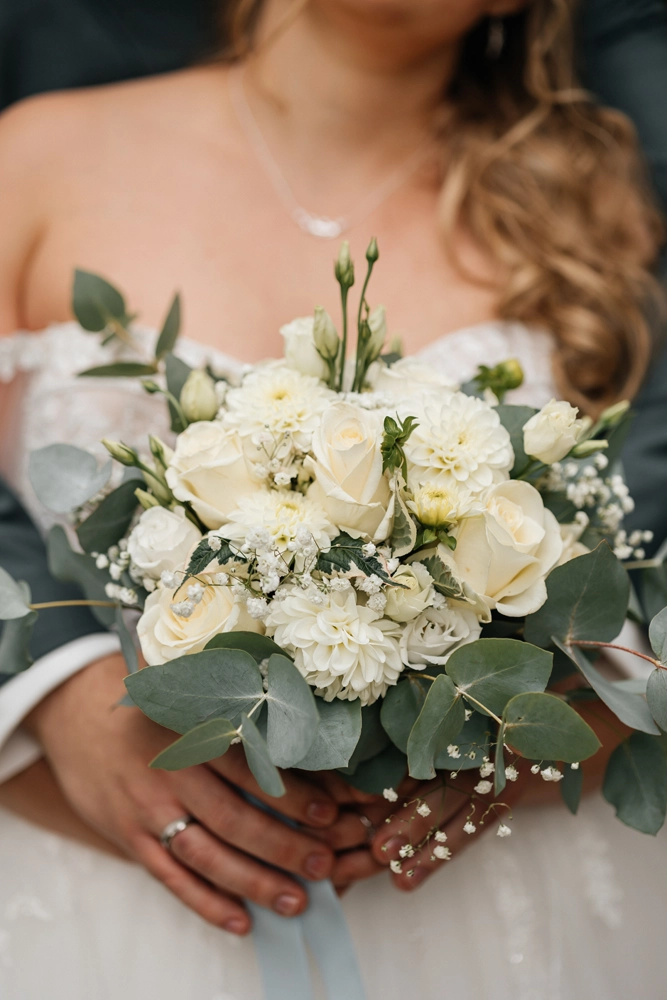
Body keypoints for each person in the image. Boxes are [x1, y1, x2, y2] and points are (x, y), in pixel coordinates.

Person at [0, 0, 666, 997]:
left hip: (497, 915)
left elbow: (639, 573)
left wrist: (533, 725)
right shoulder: (34, 154)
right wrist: (52, 691)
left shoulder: (599, 212)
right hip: (92, 904)